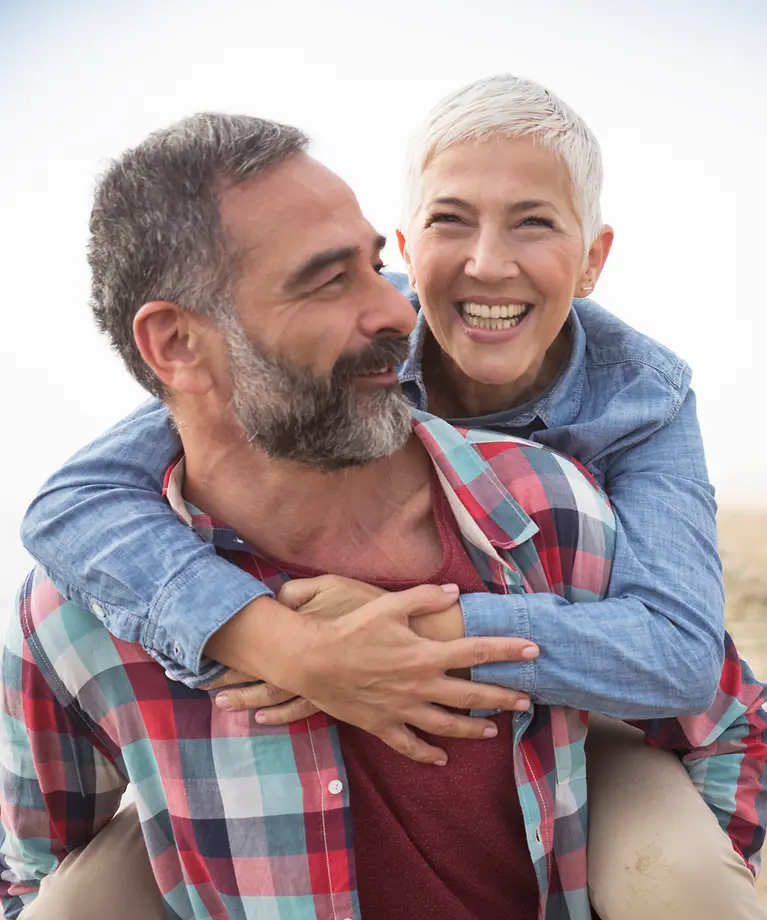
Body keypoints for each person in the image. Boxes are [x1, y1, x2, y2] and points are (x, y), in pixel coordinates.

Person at [15, 77, 767, 918]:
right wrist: (284, 644)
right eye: (450, 222)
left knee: (681, 878)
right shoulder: (352, 348)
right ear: (411, 246)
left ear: (592, 258)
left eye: (534, 222)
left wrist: (429, 629)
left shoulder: (631, 416)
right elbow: (82, 496)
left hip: (579, 710)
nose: (486, 262)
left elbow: (683, 661)